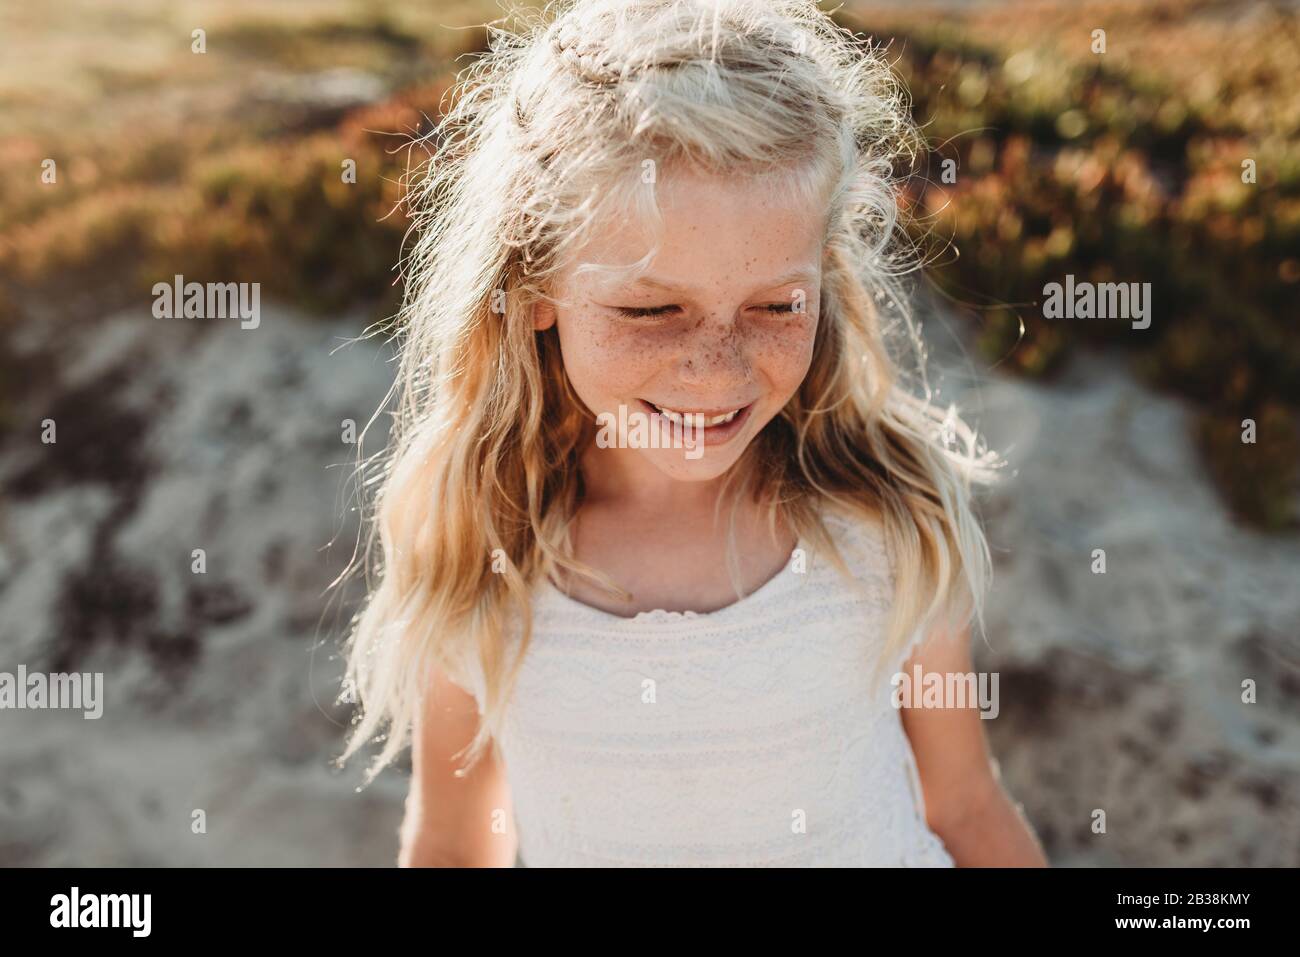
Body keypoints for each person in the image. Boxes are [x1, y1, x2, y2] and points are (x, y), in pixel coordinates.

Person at [336, 0, 1047, 867]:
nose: (717, 371)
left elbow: (965, 805)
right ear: (533, 293)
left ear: (823, 278)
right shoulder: (485, 535)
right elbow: (453, 844)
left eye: (775, 306)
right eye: (650, 308)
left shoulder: (885, 512)